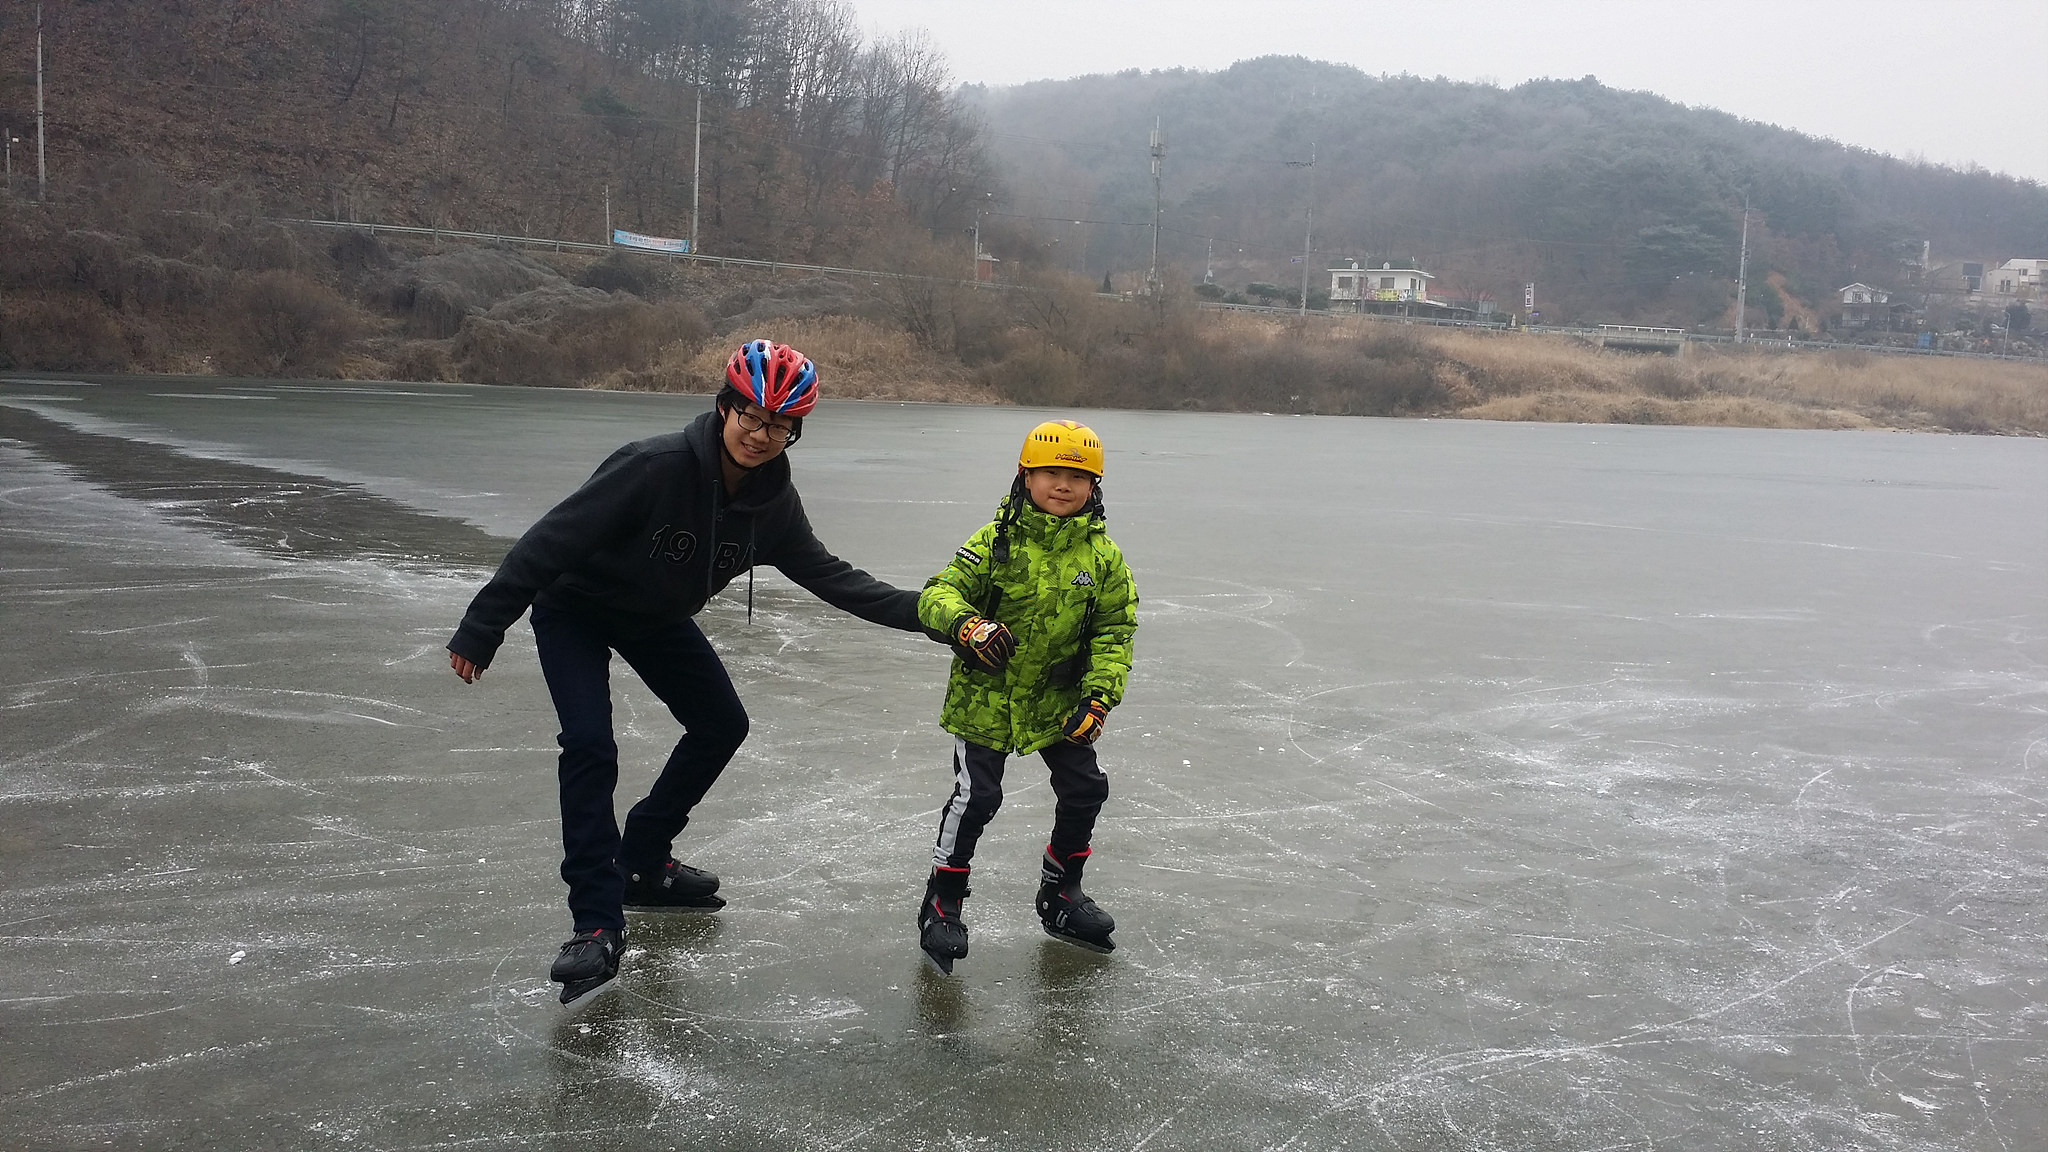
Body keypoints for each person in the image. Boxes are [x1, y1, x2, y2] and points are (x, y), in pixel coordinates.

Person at [447, 339, 928, 1006]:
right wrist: (483, 626)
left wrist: (935, 615)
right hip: (575, 610)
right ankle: (595, 922)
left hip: (654, 619)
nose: (761, 436)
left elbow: (835, 579)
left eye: (780, 426)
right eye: (752, 417)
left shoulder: (772, 505)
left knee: (720, 724)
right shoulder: (652, 468)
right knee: (589, 744)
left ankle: (643, 858)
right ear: (726, 407)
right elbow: (548, 542)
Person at [913, 419, 1138, 974]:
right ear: (1025, 476)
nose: (1063, 485)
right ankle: (943, 899)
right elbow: (937, 594)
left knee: (1085, 788)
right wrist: (966, 624)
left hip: (1057, 701)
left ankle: (1061, 892)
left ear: (1094, 486)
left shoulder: (1103, 558)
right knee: (978, 798)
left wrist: (1099, 697)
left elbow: (1114, 632)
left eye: (1077, 477)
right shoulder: (995, 542)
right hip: (985, 699)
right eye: (1050, 473)